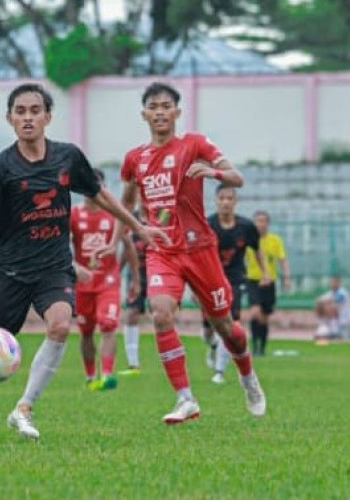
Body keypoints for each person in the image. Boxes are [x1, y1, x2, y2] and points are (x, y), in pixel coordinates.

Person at [0, 83, 169, 442]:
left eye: (35, 111)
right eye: (20, 111)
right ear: (9, 118)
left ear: (48, 116)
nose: (28, 118)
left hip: (54, 267)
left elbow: (99, 193)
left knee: (61, 326)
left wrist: (137, 224)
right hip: (11, 271)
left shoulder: (67, 158)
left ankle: (24, 408)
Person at [120, 81, 266, 424]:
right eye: (153, 106)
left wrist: (212, 171)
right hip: (162, 251)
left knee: (225, 326)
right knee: (159, 313)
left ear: (177, 112)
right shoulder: (134, 159)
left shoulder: (194, 144)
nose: (159, 112)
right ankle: (185, 398)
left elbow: (237, 177)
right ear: (144, 114)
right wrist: (117, 239)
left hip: (200, 249)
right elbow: (125, 203)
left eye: (166, 106)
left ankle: (248, 378)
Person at [70, 168, 140, 391]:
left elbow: (129, 245)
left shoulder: (113, 215)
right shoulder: (73, 215)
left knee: (108, 325)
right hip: (82, 283)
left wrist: (135, 280)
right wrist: (73, 267)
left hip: (108, 281)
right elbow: (60, 244)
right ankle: (91, 376)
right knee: (86, 332)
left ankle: (107, 374)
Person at [201, 185, 269, 384]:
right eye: (222, 198)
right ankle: (212, 345)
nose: (226, 202)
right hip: (210, 280)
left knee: (230, 323)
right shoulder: (208, 225)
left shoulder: (247, 227)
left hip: (235, 279)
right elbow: (198, 255)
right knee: (208, 328)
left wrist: (264, 273)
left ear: (235, 201)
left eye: (230, 198)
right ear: (216, 200)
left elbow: (257, 251)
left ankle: (219, 371)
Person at [244, 210, 292, 355]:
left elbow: (282, 259)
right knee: (254, 312)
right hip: (253, 280)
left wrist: (286, 277)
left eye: (263, 221)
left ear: (268, 223)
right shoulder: (249, 240)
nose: (261, 224)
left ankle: (261, 348)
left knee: (264, 317)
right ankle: (254, 346)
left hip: (269, 282)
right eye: (258, 221)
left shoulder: (275, 240)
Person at [119, 205, 149, 376]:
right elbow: (127, 247)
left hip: (157, 270)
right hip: (135, 271)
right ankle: (133, 364)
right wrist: (117, 271)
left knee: (162, 313)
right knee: (131, 313)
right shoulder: (130, 217)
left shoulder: (162, 215)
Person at [314, 275, 350, 342]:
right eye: (331, 282)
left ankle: (337, 334)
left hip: (344, 322)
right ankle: (325, 329)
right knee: (321, 305)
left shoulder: (343, 292)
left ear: (338, 283)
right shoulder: (330, 293)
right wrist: (319, 301)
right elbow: (320, 300)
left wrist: (326, 302)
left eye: (334, 282)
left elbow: (337, 299)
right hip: (336, 321)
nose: (332, 284)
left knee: (344, 339)